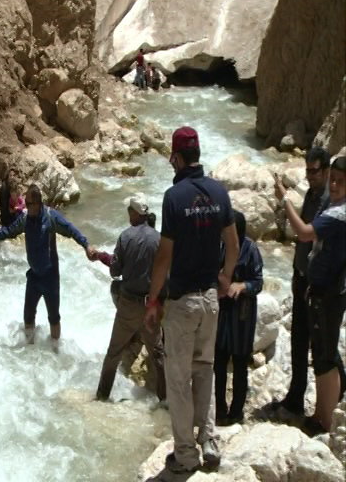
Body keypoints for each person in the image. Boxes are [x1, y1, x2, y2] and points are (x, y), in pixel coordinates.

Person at [144, 126, 239, 474]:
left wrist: (153, 301)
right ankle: (209, 441)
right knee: (205, 370)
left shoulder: (174, 197)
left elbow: (164, 256)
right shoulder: (219, 191)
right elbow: (233, 244)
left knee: (178, 380)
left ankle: (185, 453)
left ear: (178, 158)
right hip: (212, 300)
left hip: (183, 303)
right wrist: (226, 277)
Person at [265, 147, 345, 421]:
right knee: (301, 340)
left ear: (325, 171)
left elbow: (306, 234)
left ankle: (328, 409)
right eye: (307, 170)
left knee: (323, 348)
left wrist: (284, 198)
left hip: (323, 287)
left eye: (315, 171)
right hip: (304, 280)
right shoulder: (314, 196)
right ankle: (296, 398)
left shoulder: (330, 202)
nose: (310, 176)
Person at [0, 184, 97, 342]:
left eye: (29, 204)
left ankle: (56, 349)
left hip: (50, 277)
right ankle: (30, 349)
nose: (25, 207)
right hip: (34, 276)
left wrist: (86, 245)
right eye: (26, 203)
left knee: (54, 317)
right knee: (28, 315)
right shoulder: (25, 219)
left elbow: (71, 230)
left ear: (38, 203)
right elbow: (10, 231)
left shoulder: (51, 218)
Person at [94, 196, 166, 402]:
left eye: (129, 211)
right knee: (157, 355)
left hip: (128, 305)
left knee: (114, 352)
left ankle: (102, 396)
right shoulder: (159, 239)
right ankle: (165, 399)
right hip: (151, 305)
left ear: (135, 213)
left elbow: (115, 271)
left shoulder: (125, 237)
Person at [214, 210, 263, 426]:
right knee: (219, 363)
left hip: (241, 316)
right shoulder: (220, 245)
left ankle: (237, 411)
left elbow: (258, 282)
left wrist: (241, 286)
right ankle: (220, 409)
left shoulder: (250, 249)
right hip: (221, 313)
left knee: (241, 364)